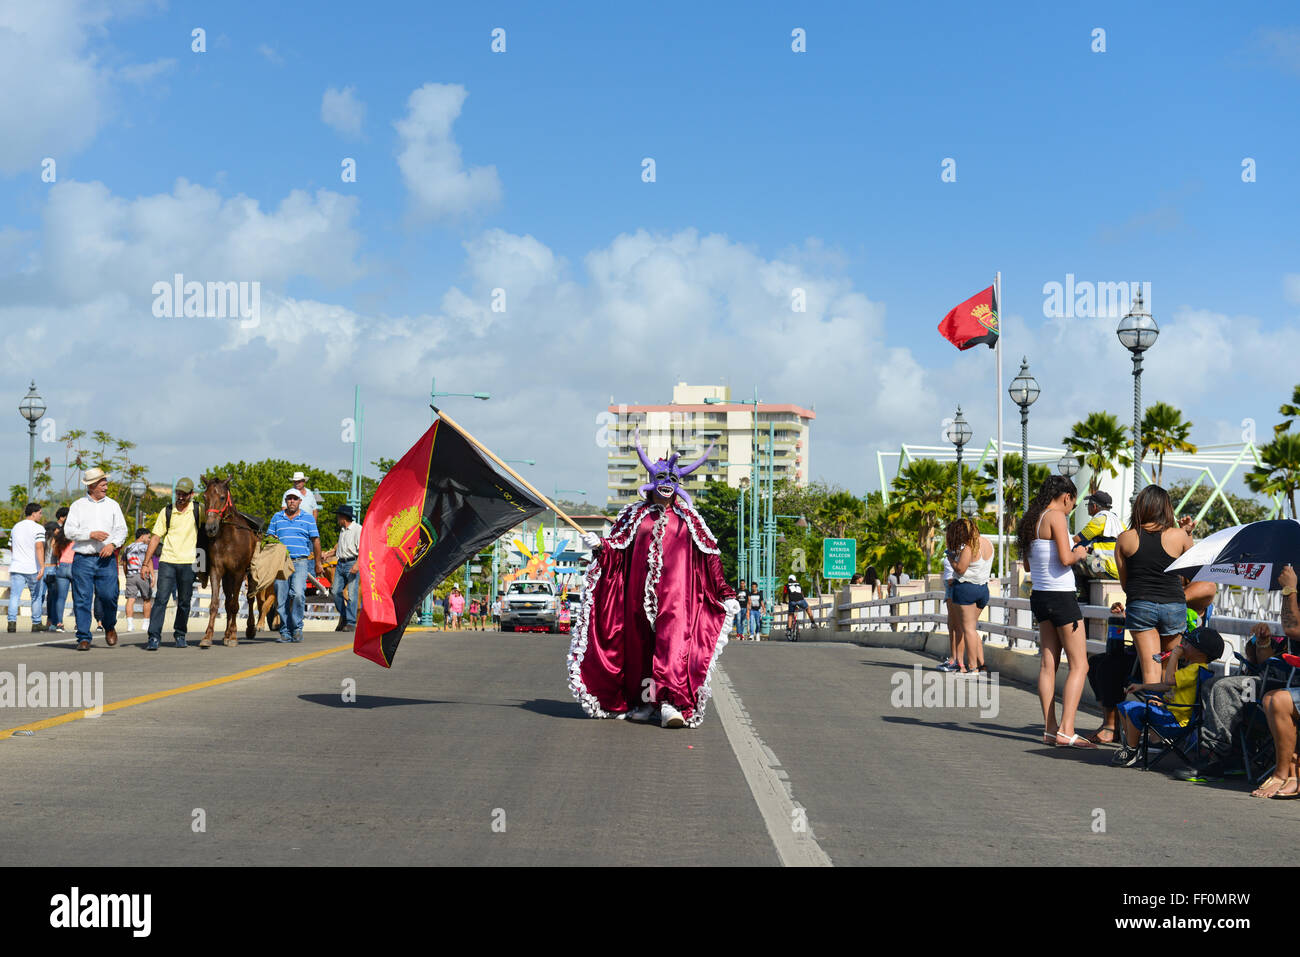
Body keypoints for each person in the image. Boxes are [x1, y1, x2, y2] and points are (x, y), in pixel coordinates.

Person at [568, 435, 739, 728]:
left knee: (672, 647)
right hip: (637, 595)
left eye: (672, 478)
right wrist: (599, 545)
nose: (667, 482)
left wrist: (724, 591)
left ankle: (670, 703)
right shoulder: (635, 515)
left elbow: (710, 553)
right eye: (661, 477)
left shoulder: (689, 519)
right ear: (651, 480)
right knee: (640, 650)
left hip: (677, 598)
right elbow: (616, 549)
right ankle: (646, 702)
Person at [1019, 475, 1092, 748]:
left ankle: (1050, 729)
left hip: (1039, 596)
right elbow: (1065, 558)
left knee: (1048, 664)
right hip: (1061, 597)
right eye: (1072, 503)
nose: (1070, 508)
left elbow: (1028, 566)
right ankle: (1067, 729)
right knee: (1080, 664)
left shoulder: (1031, 520)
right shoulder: (1057, 517)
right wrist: (1080, 553)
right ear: (1066, 497)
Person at [1110, 626, 1223, 768]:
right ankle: (1131, 746)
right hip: (1171, 714)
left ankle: (1132, 750)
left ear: (1200, 652)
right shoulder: (1192, 668)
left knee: (1133, 709)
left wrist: (1174, 655)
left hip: (1177, 720)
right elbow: (1167, 686)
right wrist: (1142, 687)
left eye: (1187, 644)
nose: (1182, 645)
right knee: (1123, 706)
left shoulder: (1196, 669)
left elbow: (1169, 680)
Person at [1115, 485, 1196, 684]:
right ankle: (1168, 713)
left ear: (1140, 507)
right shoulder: (1180, 536)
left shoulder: (1125, 539)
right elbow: (1190, 575)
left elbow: (1126, 584)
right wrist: (1188, 534)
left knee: (1150, 670)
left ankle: (1151, 710)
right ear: (1166, 508)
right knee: (1170, 668)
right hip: (1173, 606)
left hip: (1141, 604)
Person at [64, 468, 128, 650]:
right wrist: (89, 534)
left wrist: (112, 544)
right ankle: (83, 637)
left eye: (106, 483)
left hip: (106, 560)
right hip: (83, 559)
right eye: (102, 483)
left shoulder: (113, 505)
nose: (106, 487)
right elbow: (68, 531)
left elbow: (122, 529)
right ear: (91, 486)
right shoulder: (77, 506)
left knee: (109, 596)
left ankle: (109, 625)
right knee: (82, 598)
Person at [142, 477, 202, 651]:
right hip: (168, 560)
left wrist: (205, 565)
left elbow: (210, 531)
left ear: (192, 494)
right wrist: (146, 563)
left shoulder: (199, 510)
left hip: (189, 562)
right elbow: (155, 537)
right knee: (161, 599)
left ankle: (180, 634)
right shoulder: (167, 511)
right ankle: (153, 636)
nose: (180, 497)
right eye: (178, 493)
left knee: (184, 601)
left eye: (184, 494)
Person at [266, 488, 324, 643]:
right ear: (285, 501)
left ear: (300, 501)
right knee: (281, 596)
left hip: (300, 562)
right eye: (289, 498)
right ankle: (285, 631)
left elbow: (316, 541)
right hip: (281, 563)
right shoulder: (277, 518)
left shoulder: (308, 519)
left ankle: (297, 628)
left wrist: (318, 563)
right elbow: (269, 538)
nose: (292, 501)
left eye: (295, 499)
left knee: (298, 594)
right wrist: (272, 539)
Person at [950, 516, 993, 676]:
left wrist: (951, 559)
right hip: (983, 589)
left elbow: (960, 569)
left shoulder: (969, 547)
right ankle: (982, 664)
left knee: (968, 629)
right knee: (972, 629)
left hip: (966, 589)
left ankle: (973, 667)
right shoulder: (987, 543)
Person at [1072, 491, 1123, 600]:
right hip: (1119, 569)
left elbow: (1076, 540)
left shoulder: (1099, 520)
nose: (1088, 507)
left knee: (1074, 560)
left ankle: (1080, 596)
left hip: (1106, 567)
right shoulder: (1118, 521)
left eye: (1088, 504)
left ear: (1094, 506)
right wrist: (1089, 550)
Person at [8, 503, 46, 633]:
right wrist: (42, 566)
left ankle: (11, 623)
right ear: (34, 513)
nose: (41, 515)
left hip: (16, 566)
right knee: (35, 596)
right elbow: (39, 547)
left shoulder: (15, 527)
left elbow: (11, 546)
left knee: (14, 596)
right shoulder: (38, 528)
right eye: (40, 513)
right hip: (32, 567)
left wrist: (16, 558)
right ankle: (36, 623)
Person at [323, 504, 360, 632]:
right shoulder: (343, 531)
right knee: (335, 591)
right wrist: (327, 554)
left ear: (343, 517)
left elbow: (363, 550)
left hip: (352, 563)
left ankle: (351, 622)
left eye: (338, 516)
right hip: (340, 563)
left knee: (352, 594)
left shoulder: (357, 530)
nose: (337, 519)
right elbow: (340, 550)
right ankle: (344, 617)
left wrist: (357, 564)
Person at [43, 506, 72, 633]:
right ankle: (78, 624)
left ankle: (57, 623)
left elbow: (56, 553)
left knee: (58, 597)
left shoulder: (58, 538)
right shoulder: (75, 537)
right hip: (71, 567)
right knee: (78, 597)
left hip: (59, 568)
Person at [120, 528, 153, 632]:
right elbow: (149, 562)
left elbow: (124, 563)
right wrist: (152, 575)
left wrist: (127, 575)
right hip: (143, 575)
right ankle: (146, 624)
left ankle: (130, 625)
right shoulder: (146, 547)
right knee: (146, 599)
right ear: (142, 536)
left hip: (130, 574)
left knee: (130, 599)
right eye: (148, 537)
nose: (149, 539)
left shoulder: (128, 548)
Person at [937, 543, 961, 672]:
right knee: (951, 625)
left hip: (952, 586)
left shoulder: (960, 549)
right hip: (948, 587)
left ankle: (956, 660)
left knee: (955, 626)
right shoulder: (951, 549)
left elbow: (959, 569)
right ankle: (953, 658)